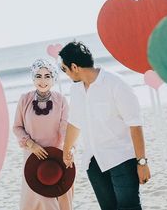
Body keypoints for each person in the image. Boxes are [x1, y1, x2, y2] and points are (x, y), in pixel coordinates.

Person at [58, 41, 151, 210]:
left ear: (74, 67)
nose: (66, 74)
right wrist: (67, 149)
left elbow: (135, 124)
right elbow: (74, 121)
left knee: (129, 207)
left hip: (121, 159)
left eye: (64, 69)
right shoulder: (76, 90)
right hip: (94, 163)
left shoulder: (116, 84)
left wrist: (142, 163)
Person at [13, 58, 73, 210]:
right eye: (38, 76)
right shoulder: (24, 99)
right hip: (33, 159)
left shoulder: (61, 100)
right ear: (33, 77)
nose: (43, 80)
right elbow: (17, 127)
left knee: (57, 201)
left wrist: (69, 148)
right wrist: (31, 144)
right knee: (37, 201)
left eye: (47, 76)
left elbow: (65, 129)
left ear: (53, 78)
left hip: (57, 159)